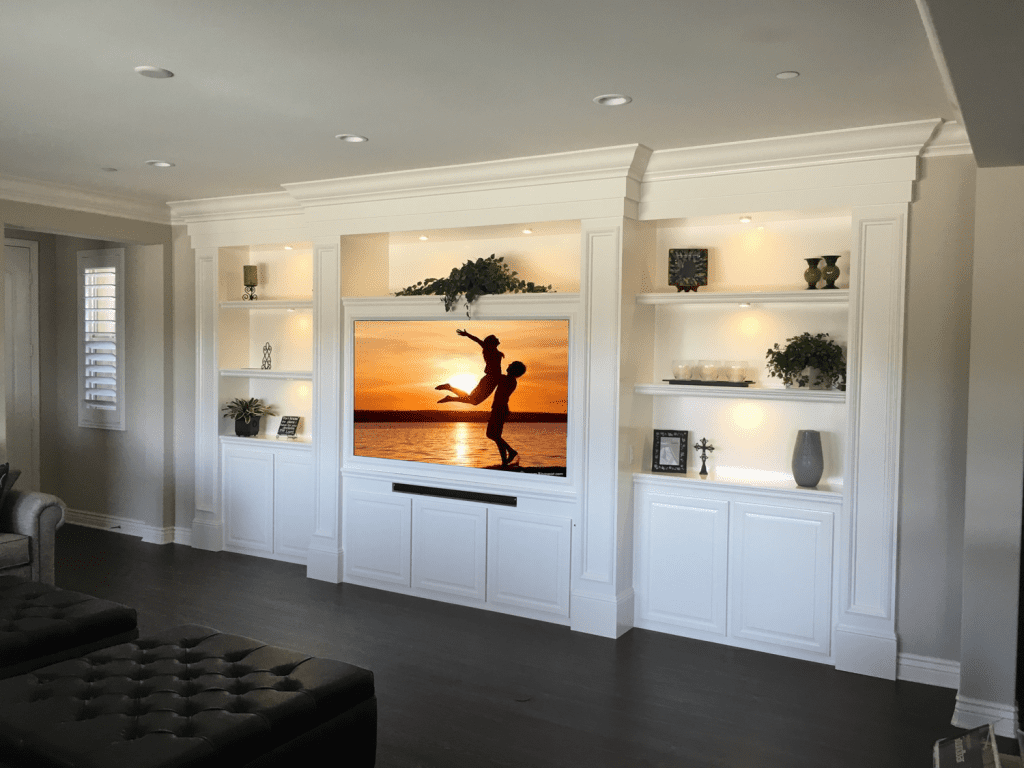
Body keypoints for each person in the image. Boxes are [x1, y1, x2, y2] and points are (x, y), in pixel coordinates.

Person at [435, 328, 504, 405]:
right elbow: (477, 340)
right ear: (491, 342)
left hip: (492, 379)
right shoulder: (488, 349)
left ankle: (449, 391)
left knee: (472, 399)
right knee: (473, 400)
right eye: (495, 339)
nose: (498, 339)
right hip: (490, 379)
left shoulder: (495, 351)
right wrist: (467, 334)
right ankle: (449, 393)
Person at [487, 361, 526, 467]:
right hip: (500, 409)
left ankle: (509, 454)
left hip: (500, 409)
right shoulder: (509, 380)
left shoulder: (507, 379)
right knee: (495, 436)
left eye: (511, 365)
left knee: (492, 435)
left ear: (514, 370)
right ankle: (505, 460)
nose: (508, 366)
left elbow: (494, 374)